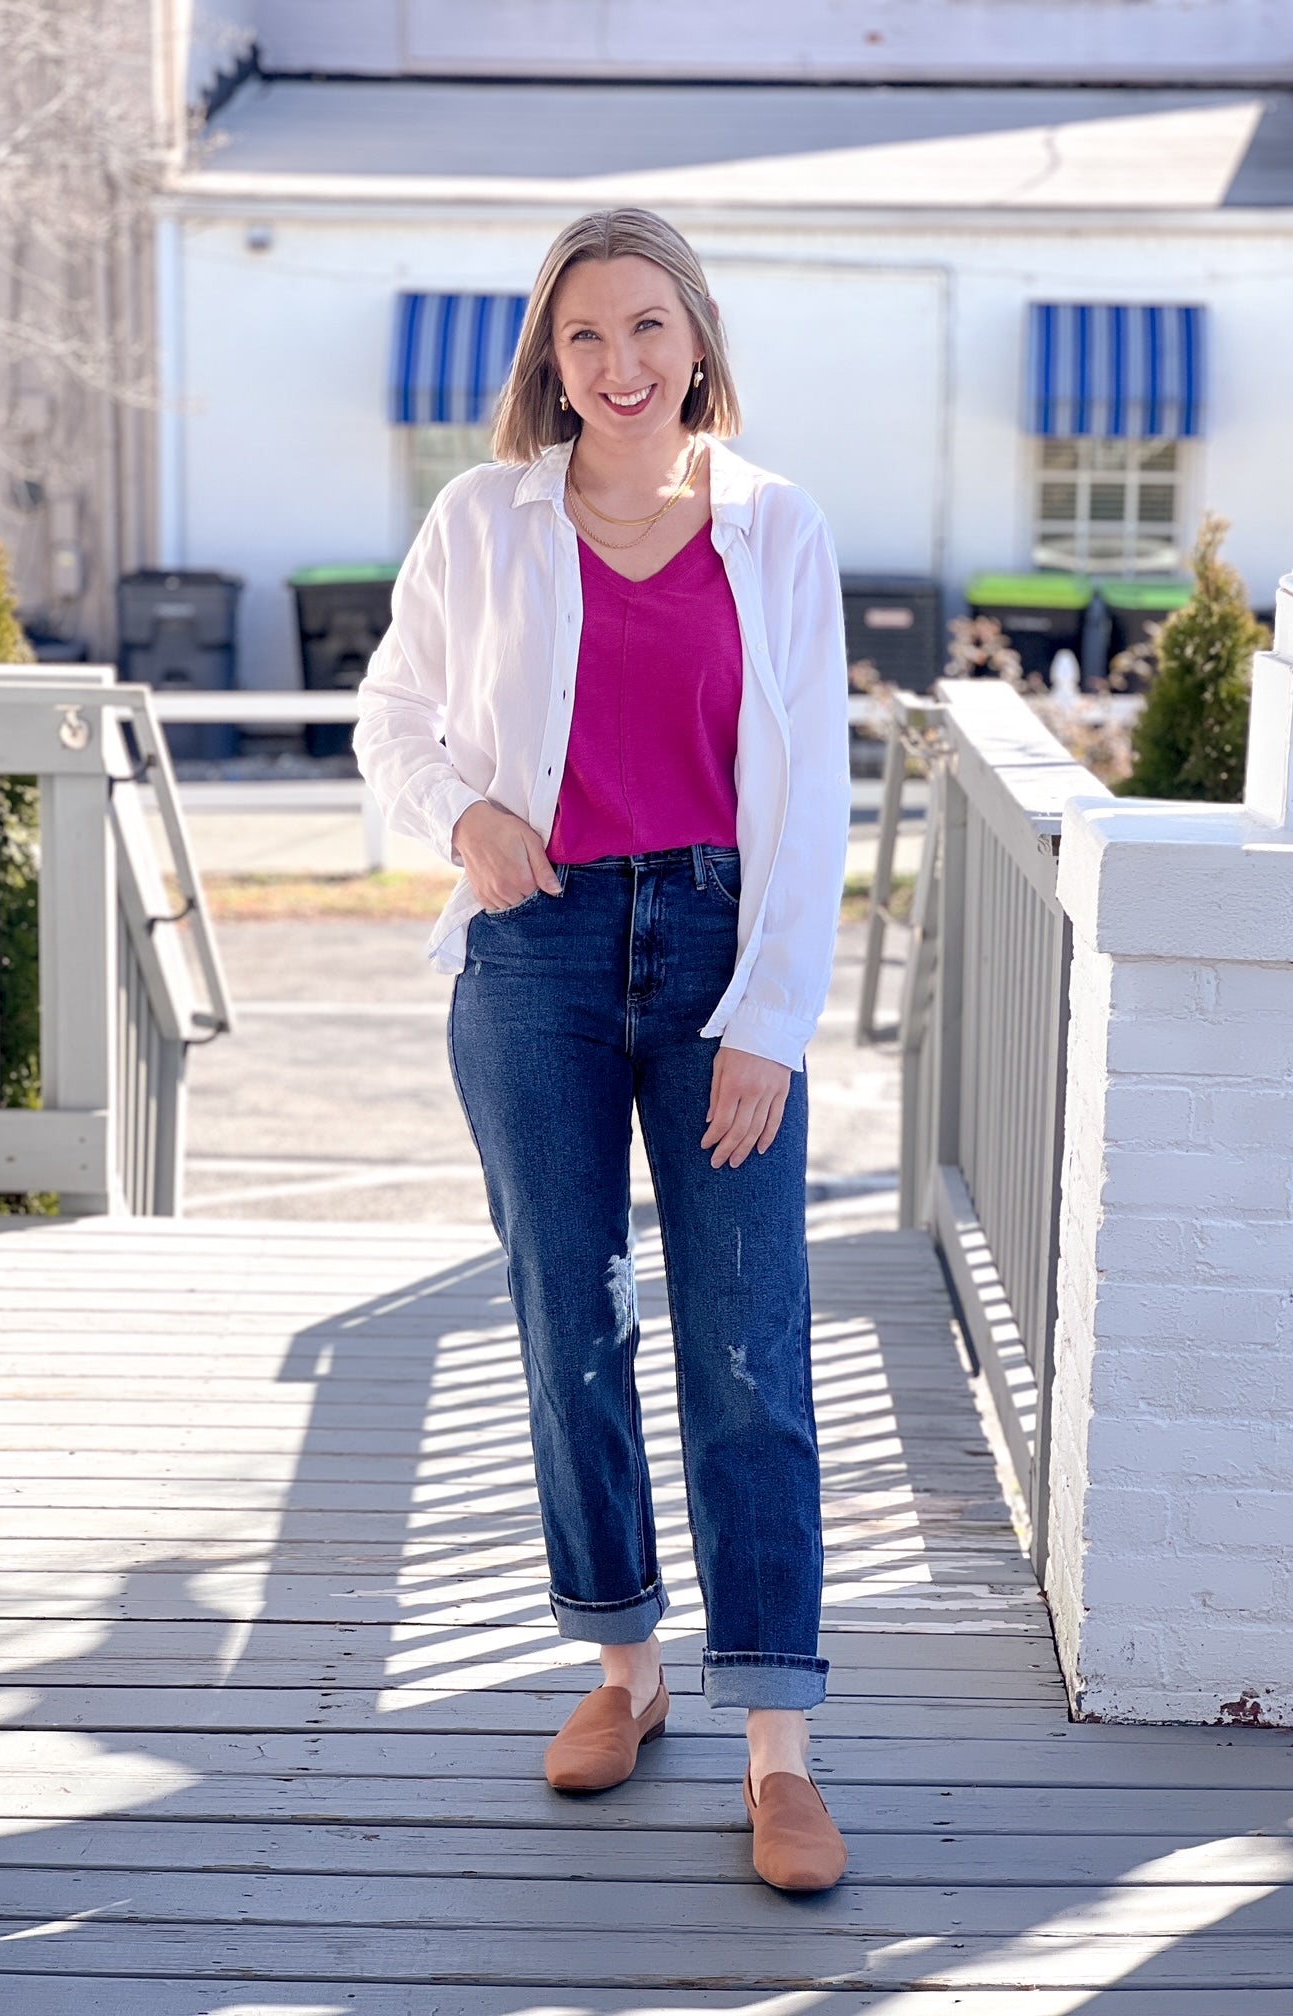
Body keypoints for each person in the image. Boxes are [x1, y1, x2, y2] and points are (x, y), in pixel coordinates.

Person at [355, 207, 851, 1893]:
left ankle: (778, 1740)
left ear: (697, 340)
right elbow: (393, 717)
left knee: (747, 1340)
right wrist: (466, 814)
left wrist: (768, 1022)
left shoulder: (777, 528)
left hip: (718, 949)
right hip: (537, 954)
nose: (620, 362)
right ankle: (625, 1664)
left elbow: (815, 797)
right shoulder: (481, 519)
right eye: (586, 335)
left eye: (648, 327)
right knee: (570, 1317)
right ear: (549, 363)